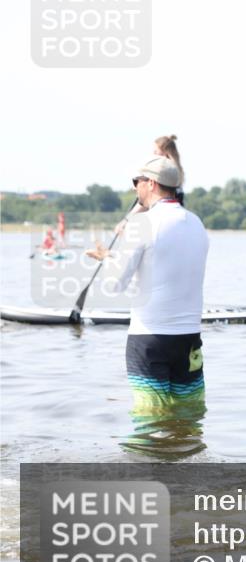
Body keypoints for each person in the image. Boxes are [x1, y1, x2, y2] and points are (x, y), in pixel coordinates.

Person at [85, 156, 210, 457]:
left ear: (151, 183)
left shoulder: (143, 223)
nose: (135, 189)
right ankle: (189, 490)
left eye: (136, 183)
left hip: (149, 340)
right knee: (188, 422)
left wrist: (108, 261)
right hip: (189, 340)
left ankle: (144, 487)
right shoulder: (196, 223)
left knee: (149, 424)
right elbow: (167, 272)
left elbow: (116, 284)